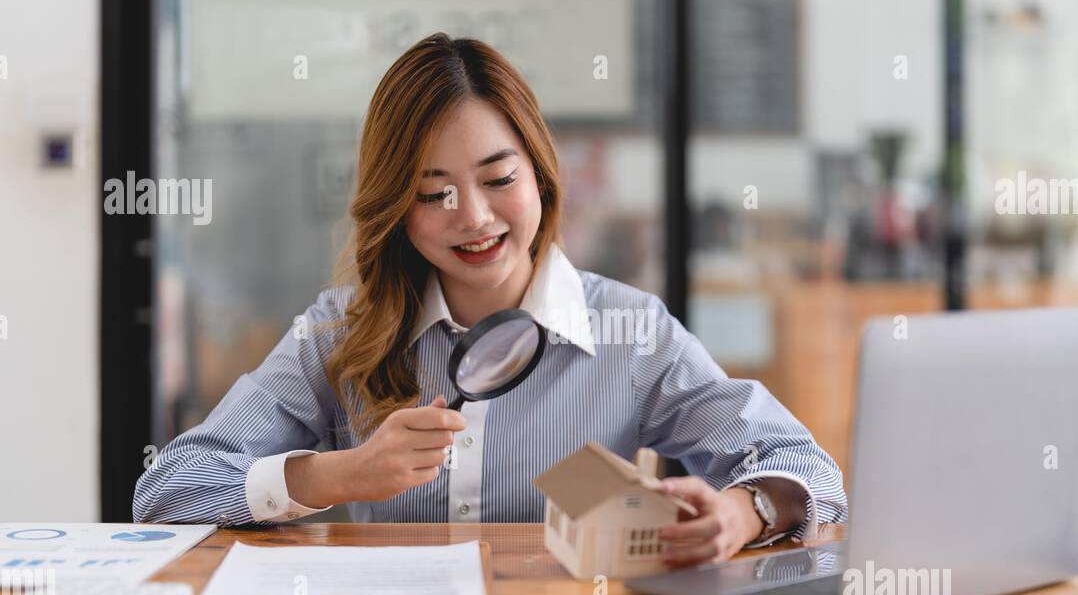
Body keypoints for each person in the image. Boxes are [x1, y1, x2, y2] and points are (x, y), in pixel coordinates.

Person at [133, 33, 847, 568]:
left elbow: (811, 469)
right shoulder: (337, 331)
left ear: (540, 176)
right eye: (431, 191)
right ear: (396, 208)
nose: (472, 217)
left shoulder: (632, 332)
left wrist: (739, 511)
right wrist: (337, 473)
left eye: (498, 178)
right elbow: (165, 491)